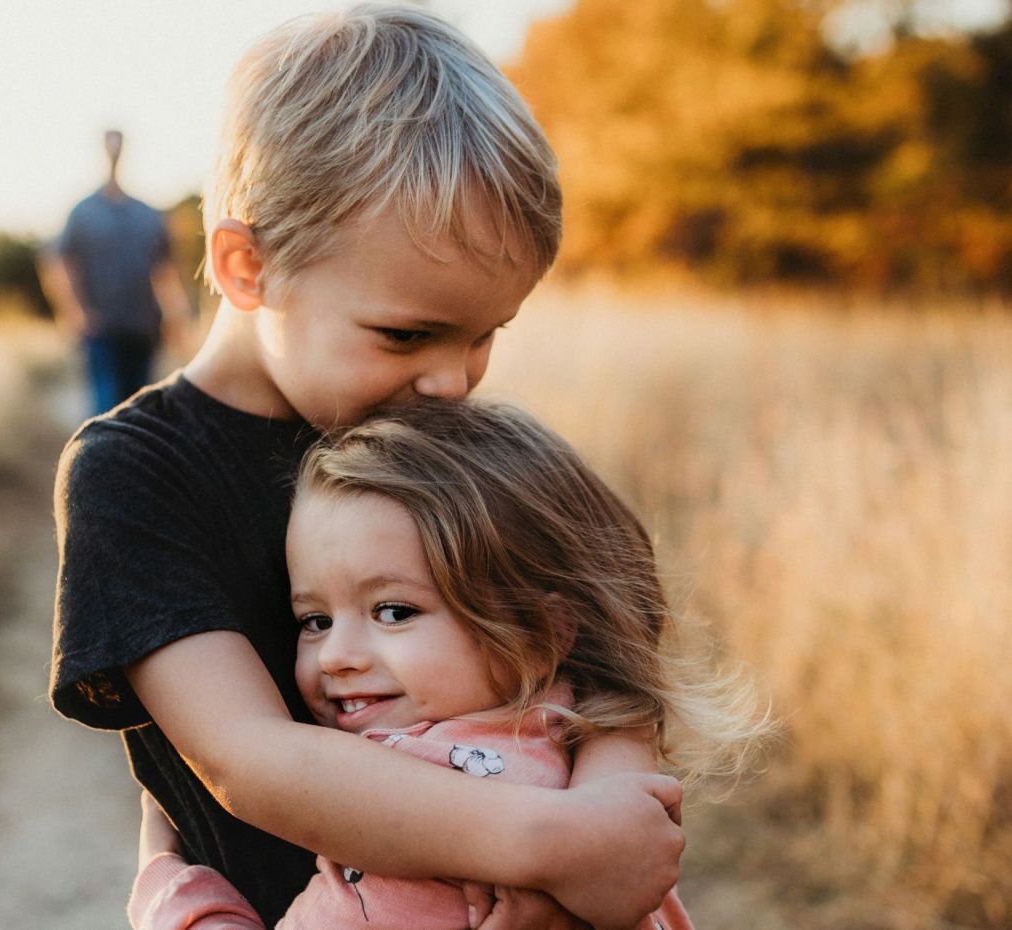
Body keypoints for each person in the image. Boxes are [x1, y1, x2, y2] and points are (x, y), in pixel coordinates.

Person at [51, 7, 684, 929]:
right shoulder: (137, 474)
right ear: (246, 266)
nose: (451, 381)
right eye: (407, 334)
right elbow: (249, 760)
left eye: (485, 336)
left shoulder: (440, 439)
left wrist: (594, 840)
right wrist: (549, 846)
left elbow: (617, 654)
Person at [126, 399, 770, 930]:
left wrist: (170, 885)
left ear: (541, 629)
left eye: (395, 612)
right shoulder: (583, 746)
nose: (339, 657)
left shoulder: (419, 806)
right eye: (315, 621)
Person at [45, 129, 192, 415]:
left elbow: (165, 271)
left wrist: (176, 318)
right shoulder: (83, 212)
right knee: (106, 407)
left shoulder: (147, 214)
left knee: (139, 409)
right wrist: (75, 312)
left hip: (144, 327)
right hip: (102, 330)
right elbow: (59, 262)